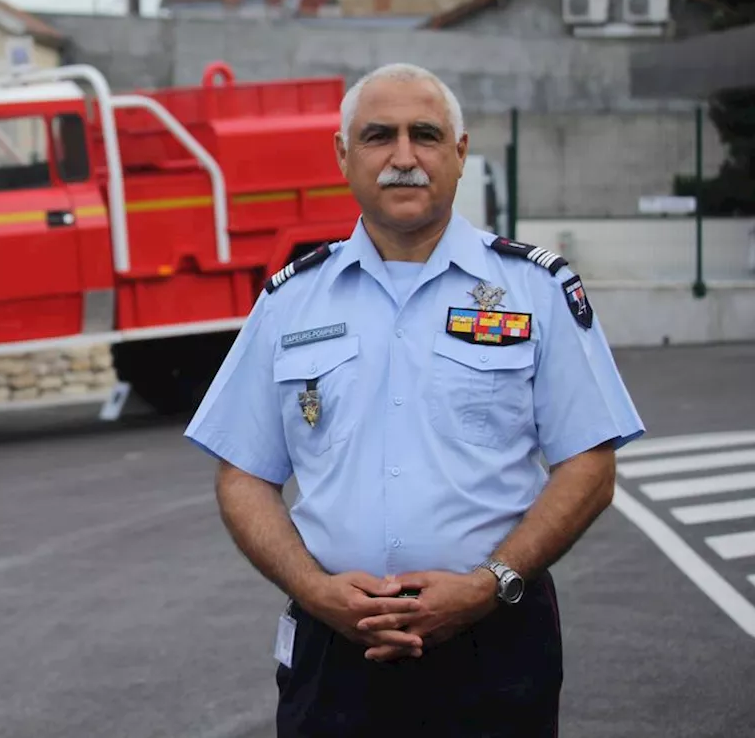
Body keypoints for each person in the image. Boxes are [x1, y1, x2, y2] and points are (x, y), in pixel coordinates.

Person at [184, 63, 644, 737]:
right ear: (343, 156)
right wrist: (316, 592)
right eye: (378, 137)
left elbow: (590, 467)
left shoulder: (534, 290)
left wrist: (487, 586)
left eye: (425, 135)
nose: (404, 158)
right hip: (335, 650)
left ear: (459, 153)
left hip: (495, 640)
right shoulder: (291, 301)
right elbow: (242, 475)